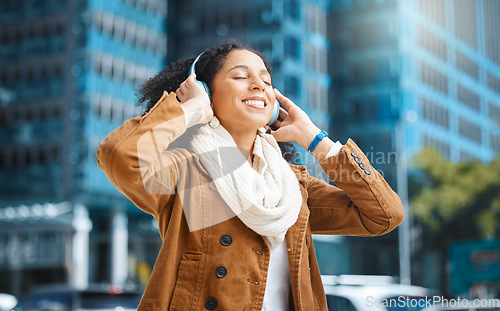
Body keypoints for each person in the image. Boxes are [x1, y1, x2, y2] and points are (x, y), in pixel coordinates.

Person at [97, 40, 405, 311]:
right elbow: (120, 156)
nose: (258, 85)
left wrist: (314, 139)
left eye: (266, 81)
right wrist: (187, 109)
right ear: (206, 92)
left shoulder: (293, 188)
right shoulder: (186, 172)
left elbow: (384, 214)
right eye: (241, 76)